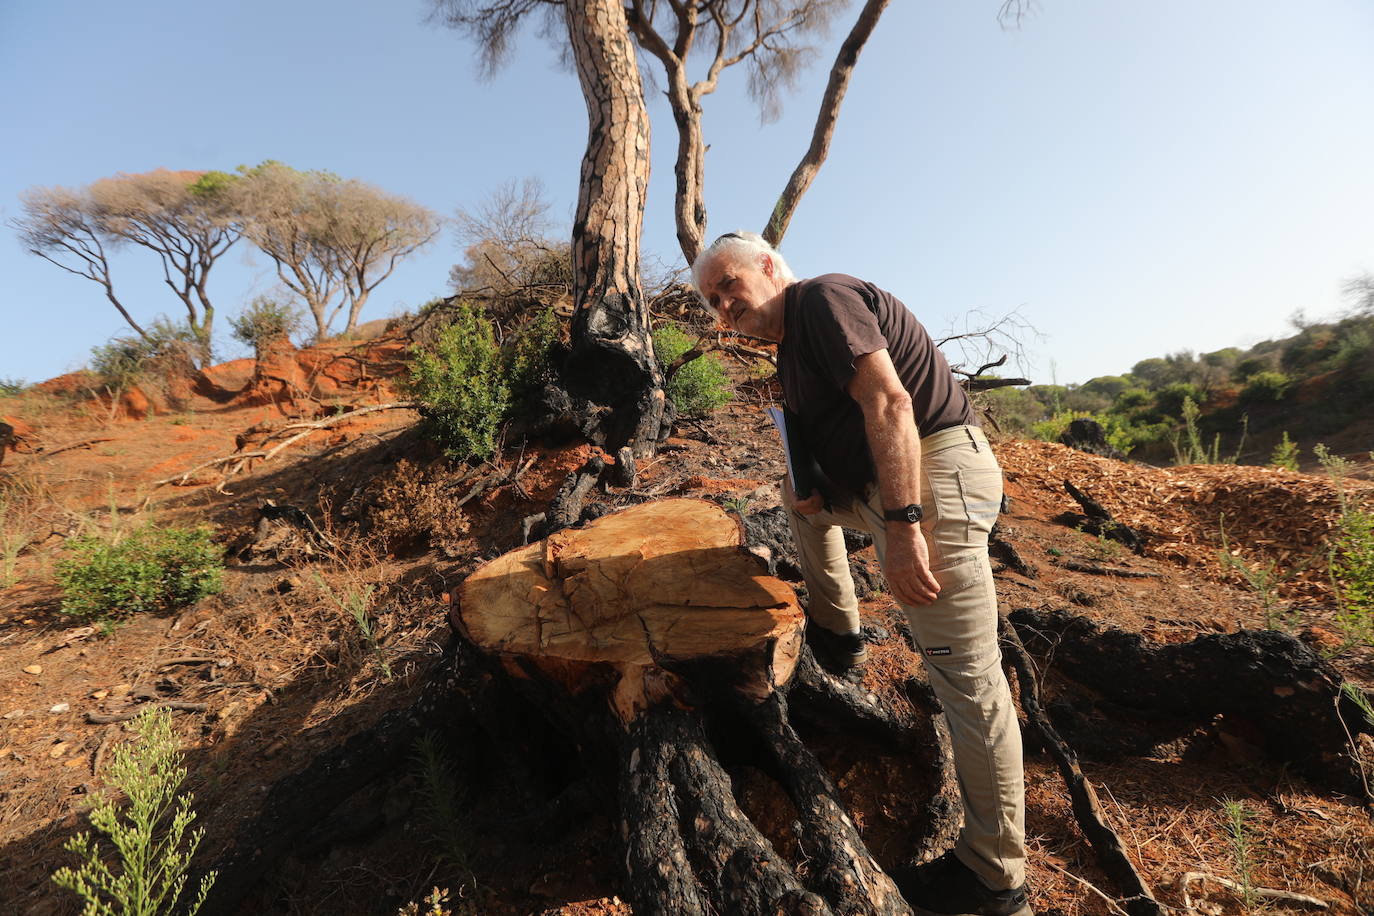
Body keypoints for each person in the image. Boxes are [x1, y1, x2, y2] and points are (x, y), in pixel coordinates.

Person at [691, 231, 1032, 916]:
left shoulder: (822, 299)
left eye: (729, 284)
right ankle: (838, 635)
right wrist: (812, 485)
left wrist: (904, 529)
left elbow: (890, 404)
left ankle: (995, 877)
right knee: (797, 503)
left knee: (967, 679)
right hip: (881, 489)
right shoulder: (792, 348)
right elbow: (837, 433)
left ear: (768, 265)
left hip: (930, 478)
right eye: (712, 301)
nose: (725, 305)